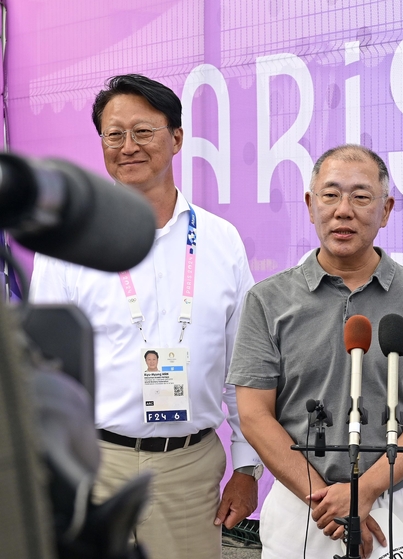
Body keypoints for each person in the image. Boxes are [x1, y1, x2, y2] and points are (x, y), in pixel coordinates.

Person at [30, 74, 262, 559]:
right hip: (93, 465)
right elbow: (43, 369)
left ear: (176, 138)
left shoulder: (221, 241)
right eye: (114, 135)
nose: (127, 147)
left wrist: (246, 467)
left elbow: (246, 366)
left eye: (143, 131)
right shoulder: (68, 244)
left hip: (188, 470)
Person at [227, 144, 403, 559]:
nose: (343, 210)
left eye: (361, 196)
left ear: (386, 209)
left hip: (400, 503)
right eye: (330, 194)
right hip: (305, 506)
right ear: (310, 204)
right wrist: (327, 500)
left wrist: (364, 491)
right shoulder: (268, 299)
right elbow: (253, 414)